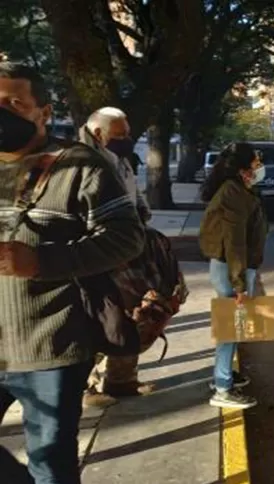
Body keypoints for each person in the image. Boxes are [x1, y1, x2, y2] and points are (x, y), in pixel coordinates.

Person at [0, 62, 145, 484]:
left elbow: (127, 238)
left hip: (50, 343)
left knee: (52, 464)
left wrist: (41, 261)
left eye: (13, 103)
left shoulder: (80, 165)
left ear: (43, 111)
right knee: (38, 482)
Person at [78, 107, 153, 406]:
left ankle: (122, 380)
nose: (127, 140)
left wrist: (142, 211)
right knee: (96, 321)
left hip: (127, 249)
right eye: (120, 135)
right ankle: (86, 386)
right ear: (99, 134)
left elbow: (132, 190)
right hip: (97, 255)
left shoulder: (118, 158)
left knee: (131, 315)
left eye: (128, 133)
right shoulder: (80, 162)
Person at [198, 142, 268, 409]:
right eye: (255, 163)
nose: (259, 167)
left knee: (234, 327)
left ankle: (224, 376)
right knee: (231, 328)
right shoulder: (233, 194)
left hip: (231, 267)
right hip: (231, 268)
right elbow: (235, 242)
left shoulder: (237, 190)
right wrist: (239, 283)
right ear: (242, 170)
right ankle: (223, 389)